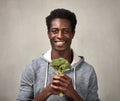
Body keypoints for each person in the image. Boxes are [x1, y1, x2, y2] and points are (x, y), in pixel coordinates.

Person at [17, 8, 100, 101]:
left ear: (73, 34)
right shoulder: (32, 67)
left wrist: (73, 93)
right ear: (48, 34)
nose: (60, 36)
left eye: (65, 31)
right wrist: (47, 91)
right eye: (55, 31)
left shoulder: (88, 71)